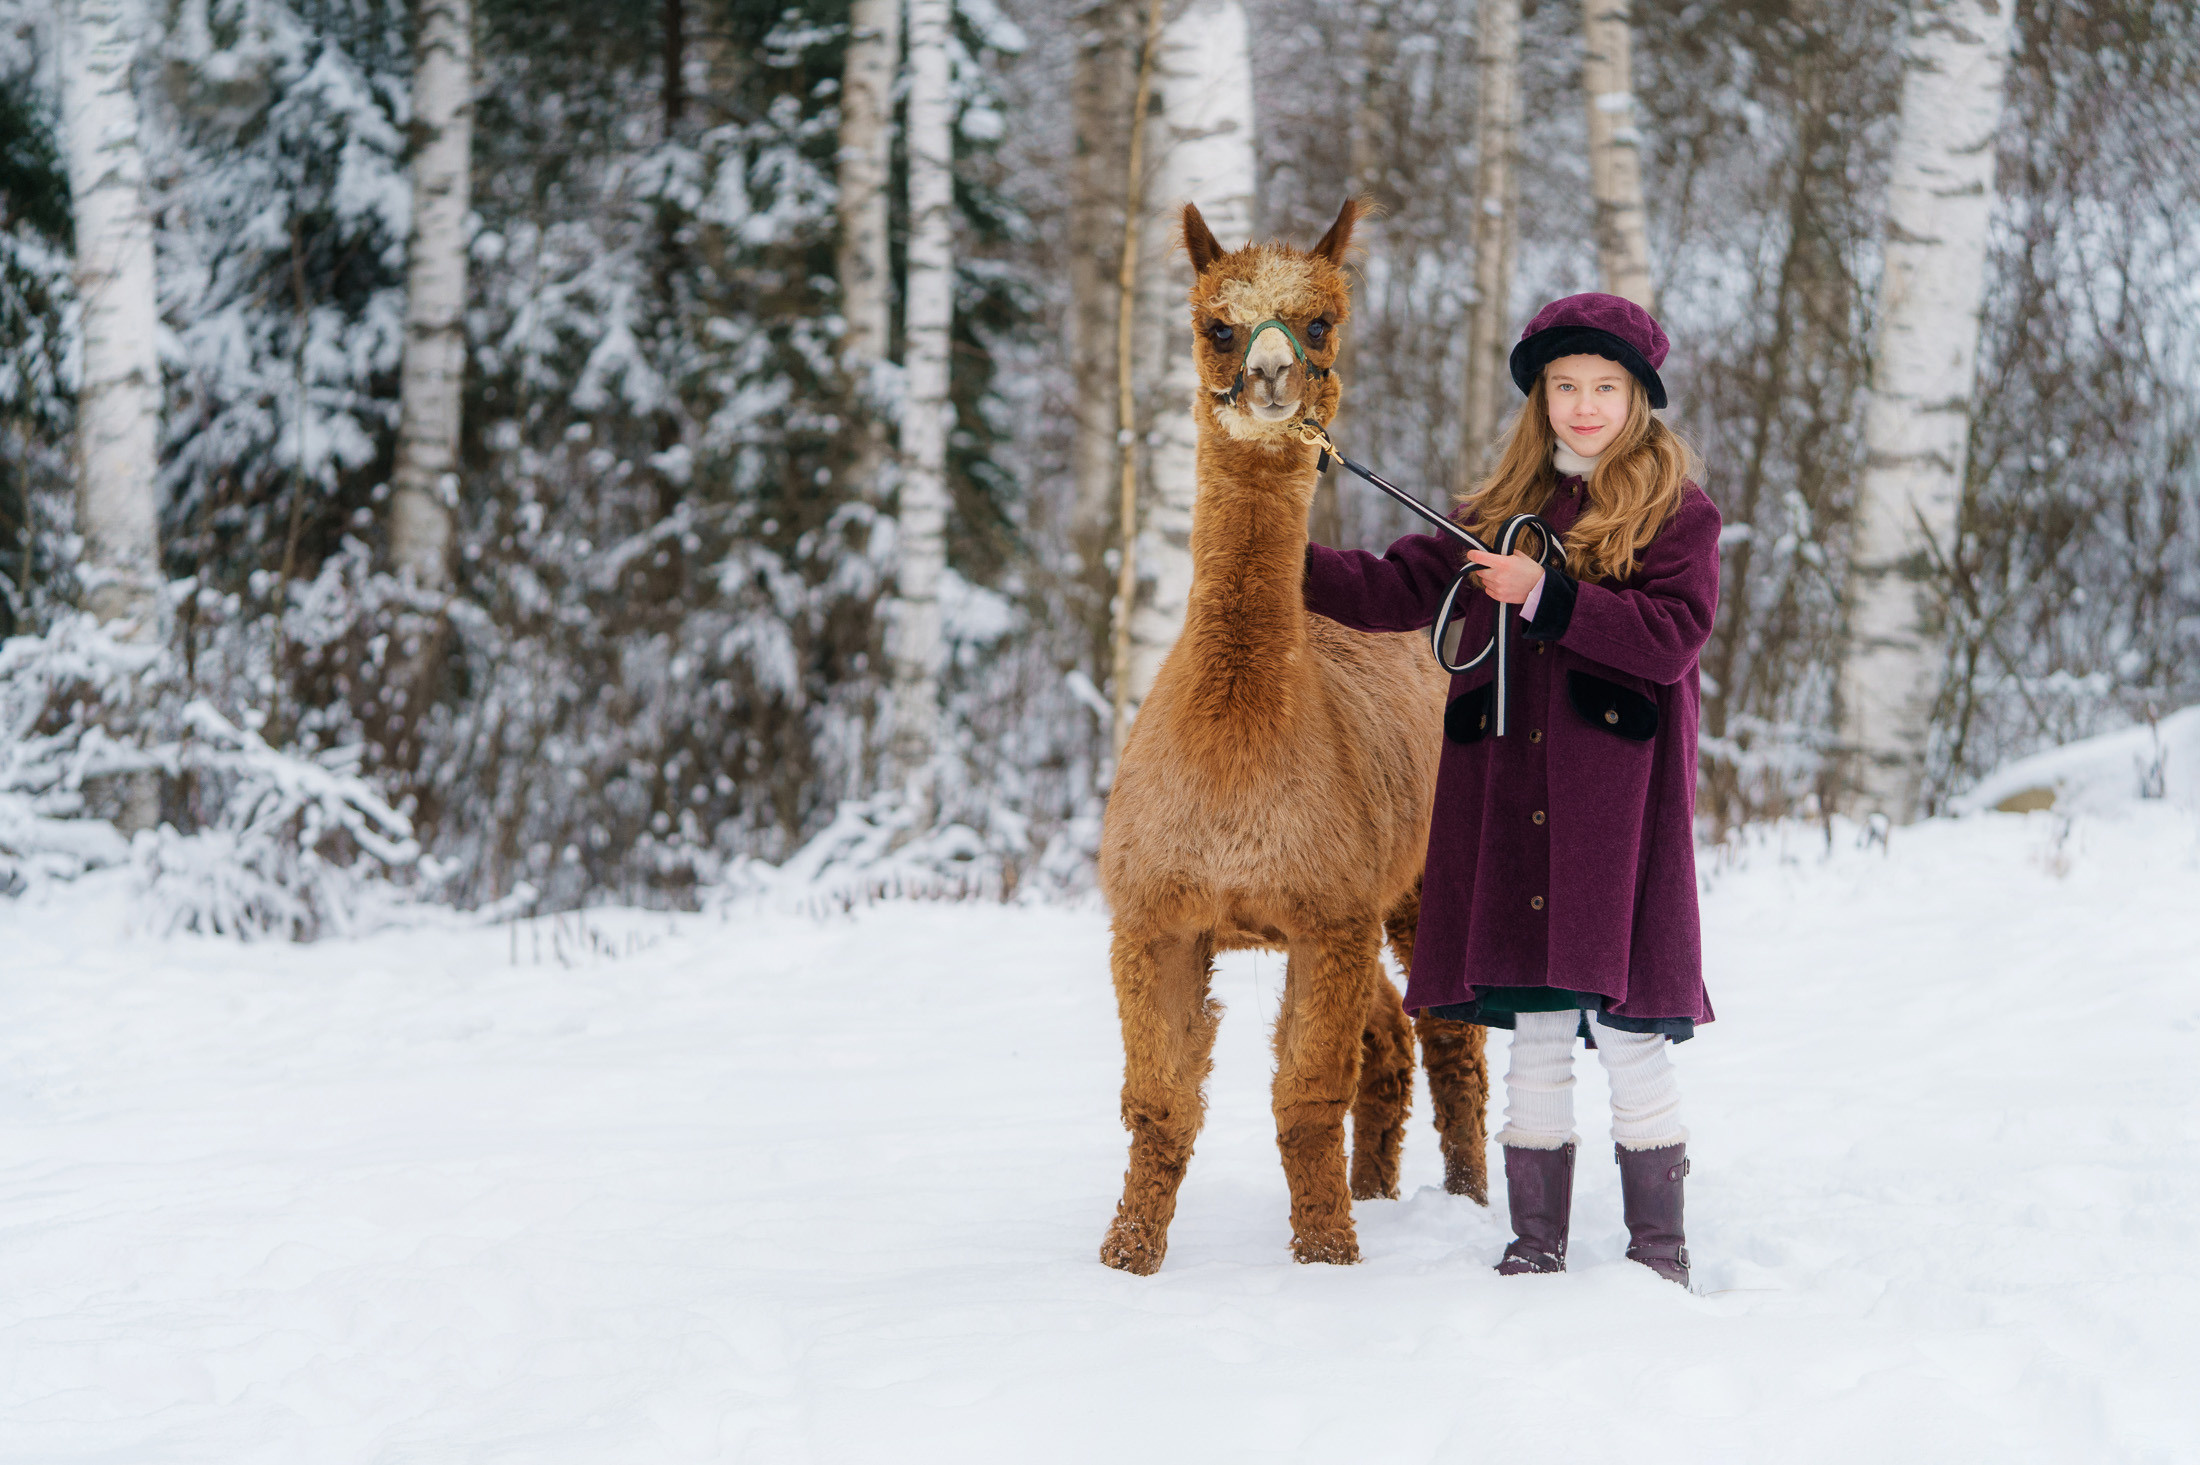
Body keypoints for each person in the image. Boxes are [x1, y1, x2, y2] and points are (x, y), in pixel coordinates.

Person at [1302, 293, 1720, 1287]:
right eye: (1563, 387)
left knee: (1624, 1031)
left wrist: (1543, 593)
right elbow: (1391, 586)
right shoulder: (1495, 513)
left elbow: (1671, 637)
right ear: (1539, 398)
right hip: (1510, 803)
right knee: (1535, 1022)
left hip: (1613, 814)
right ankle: (1536, 1237)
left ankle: (1658, 1244)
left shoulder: (1677, 513)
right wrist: (1269, 548)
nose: (1581, 406)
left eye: (1603, 389)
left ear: (1639, 400)